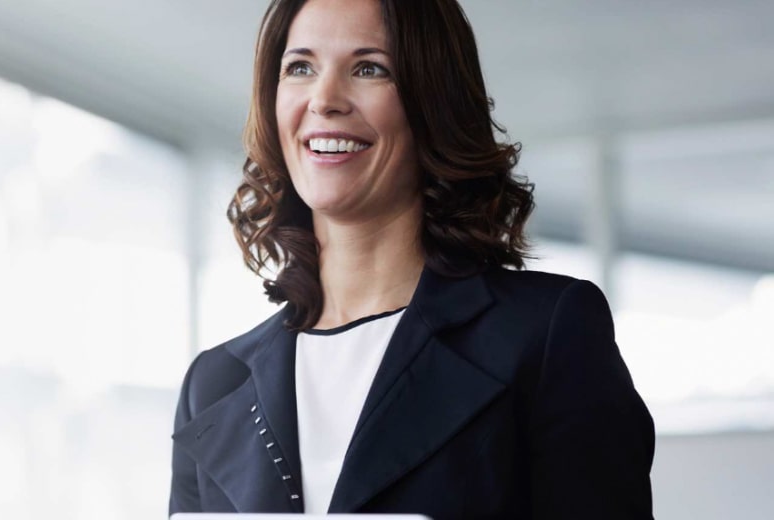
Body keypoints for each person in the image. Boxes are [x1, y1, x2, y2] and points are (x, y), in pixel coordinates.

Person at [169, 0, 655, 518]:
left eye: (369, 68)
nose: (325, 99)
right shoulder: (214, 383)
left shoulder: (545, 333)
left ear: (433, 102)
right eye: (300, 68)